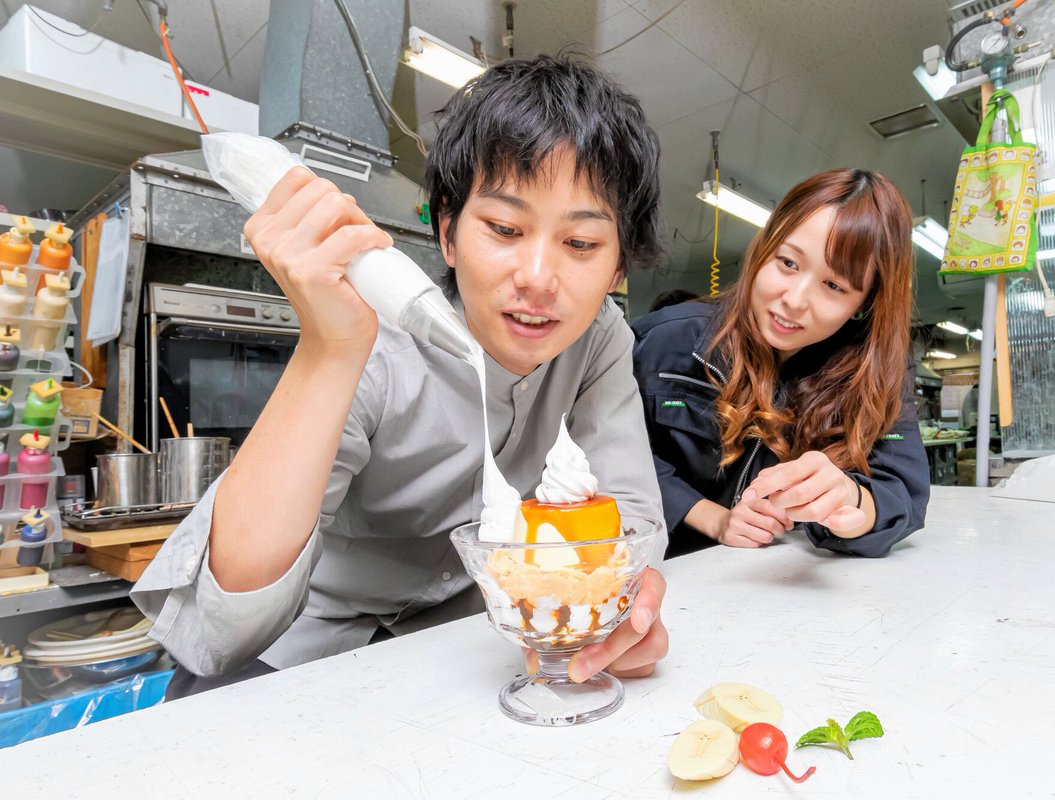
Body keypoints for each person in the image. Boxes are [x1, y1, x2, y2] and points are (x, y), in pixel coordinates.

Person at [133, 55, 669, 696]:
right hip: (297, 646)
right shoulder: (375, 339)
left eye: (580, 244)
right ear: (448, 233)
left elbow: (628, 515)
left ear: (618, 268)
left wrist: (624, 598)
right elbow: (225, 626)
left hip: (467, 649)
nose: (537, 278)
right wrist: (330, 348)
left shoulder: (600, 336)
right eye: (504, 228)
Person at [631, 169, 929, 558]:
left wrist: (851, 500)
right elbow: (605, 451)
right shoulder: (663, 340)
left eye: (834, 286)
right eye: (788, 263)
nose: (795, 300)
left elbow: (903, 492)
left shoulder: (876, 372)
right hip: (657, 568)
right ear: (764, 249)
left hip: (777, 581)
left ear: (865, 304)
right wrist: (714, 519)